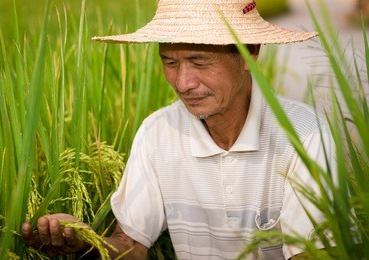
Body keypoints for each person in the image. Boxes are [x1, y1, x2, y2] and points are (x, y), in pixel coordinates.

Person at [21, 0, 335, 259]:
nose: (183, 84)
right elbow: (130, 246)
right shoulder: (158, 133)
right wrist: (86, 240)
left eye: (199, 62)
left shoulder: (304, 135)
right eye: (170, 63)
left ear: (249, 53)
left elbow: (309, 254)